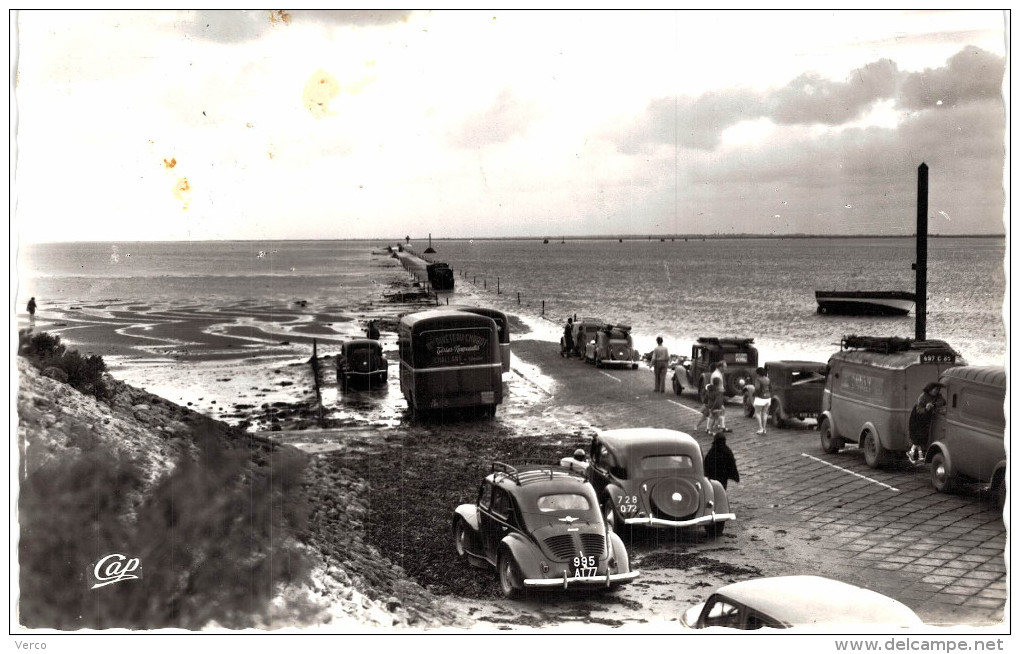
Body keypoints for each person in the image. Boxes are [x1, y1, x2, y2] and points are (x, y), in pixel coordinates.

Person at [908, 382, 946, 463]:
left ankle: (918, 456)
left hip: (927, 417)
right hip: (918, 417)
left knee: (923, 436)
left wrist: (934, 405)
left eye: (938, 390)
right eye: (936, 389)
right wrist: (926, 409)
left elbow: (942, 402)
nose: (937, 391)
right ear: (930, 389)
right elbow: (919, 410)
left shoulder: (938, 396)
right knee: (917, 436)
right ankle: (914, 454)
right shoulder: (923, 397)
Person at [710, 362, 731, 432]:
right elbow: (716, 386)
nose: (725, 368)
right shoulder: (717, 375)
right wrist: (720, 394)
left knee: (721, 410)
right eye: (724, 367)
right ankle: (714, 428)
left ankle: (721, 426)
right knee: (717, 412)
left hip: (718, 394)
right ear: (720, 367)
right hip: (718, 394)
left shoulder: (718, 373)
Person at [752, 366, 772, 435]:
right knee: (765, 413)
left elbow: (757, 388)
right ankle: (764, 429)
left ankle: (760, 428)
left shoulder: (758, 379)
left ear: (758, 373)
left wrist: (754, 394)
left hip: (760, 398)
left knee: (757, 413)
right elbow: (770, 388)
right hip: (768, 398)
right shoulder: (768, 379)